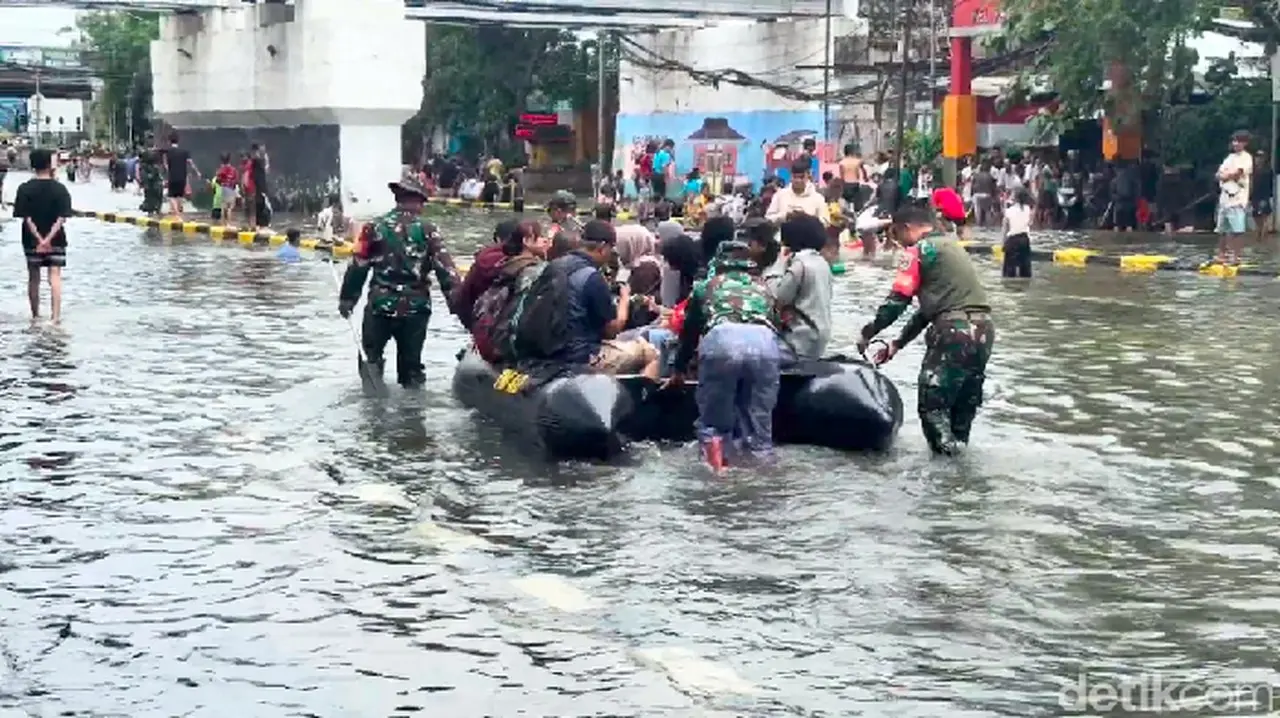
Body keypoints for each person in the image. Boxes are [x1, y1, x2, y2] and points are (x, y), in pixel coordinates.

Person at [857, 204, 995, 456]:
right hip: (984, 331)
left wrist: (868, 332)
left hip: (953, 333)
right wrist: (898, 343)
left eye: (896, 235)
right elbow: (929, 309)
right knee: (962, 409)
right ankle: (960, 473)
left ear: (906, 228)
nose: (896, 243)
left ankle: (943, 477)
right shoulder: (952, 246)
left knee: (933, 407)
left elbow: (898, 300)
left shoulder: (917, 250)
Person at [668, 240, 784, 470]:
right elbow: (777, 325)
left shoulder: (705, 287)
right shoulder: (764, 287)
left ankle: (716, 478)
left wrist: (678, 370)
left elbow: (689, 334)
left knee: (714, 424)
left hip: (722, 341)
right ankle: (763, 477)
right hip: (765, 344)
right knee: (759, 425)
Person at [338, 175, 461, 387]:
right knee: (412, 368)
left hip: (380, 306)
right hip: (416, 309)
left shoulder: (374, 228)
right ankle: (412, 416)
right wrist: (458, 305)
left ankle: (372, 406)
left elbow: (358, 266)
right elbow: (447, 271)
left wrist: (347, 300)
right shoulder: (427, 230)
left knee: (370, 360)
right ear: (419, 202)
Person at [551, 220, 659, 378]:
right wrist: (624, 299)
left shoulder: (554, 266)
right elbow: (612, 330)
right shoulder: (592, 277)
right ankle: (638, 399)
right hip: (580, 356)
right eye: (611, 248)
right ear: (602, 248)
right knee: (650, 353)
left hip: (550, 351)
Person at [14, 149, 72, 323]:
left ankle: (35, 315)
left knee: (33, 277)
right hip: (56, 240)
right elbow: (62, 218)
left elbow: (26, 218)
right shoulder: (60, 189)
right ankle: (55, 318)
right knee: (55, 276)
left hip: (31, 241)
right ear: (49, 164)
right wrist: (48, 239)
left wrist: (39, 239)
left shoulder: (24, 189)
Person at [771, 214, 833, 361]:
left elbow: (778, 298)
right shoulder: (823, 263)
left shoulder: (799, 266)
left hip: (799, 339)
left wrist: (778, 265)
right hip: (820, 336)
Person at [453, 219, 520, 329]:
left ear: (497, 238)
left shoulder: (482, 259)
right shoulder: (520, 263)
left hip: (480, 323)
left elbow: (463, 297)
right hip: (506, 327)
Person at [1214, 131, 1253, 264]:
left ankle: (1236, 257)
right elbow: (1218, 174)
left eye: (1239, 141)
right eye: (1234, 141)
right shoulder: (1229, 158)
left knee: (1237, 229)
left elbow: (1238, 173)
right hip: (1224, 198)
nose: (1235, 143)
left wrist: (1226, 175)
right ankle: (1221, 255)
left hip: (1238, 199)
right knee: (1221, 229)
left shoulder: (1246, 157)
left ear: (1245, 143)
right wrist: (1225, 175)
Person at [765, 158, 829, 225]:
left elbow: (826, 222)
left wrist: (807, 218)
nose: (798, 180)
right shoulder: (780, 195)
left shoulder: (818, 198)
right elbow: (768, 218)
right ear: (791, 176)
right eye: (795, 177)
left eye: (801, 177)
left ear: (808, 176)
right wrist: (785, 216)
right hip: (784, 234)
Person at [164, 132, 201, 220]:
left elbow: (166, 166)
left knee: (171, 196)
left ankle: (177, 214)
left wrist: (169, 173)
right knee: (180, 196)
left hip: (172, 177)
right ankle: (178, 212)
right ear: (178, 141)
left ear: (169, 141)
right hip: (182, 177)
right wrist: (197, 172)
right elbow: (191, 163)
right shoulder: (184, 152)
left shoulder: (167, 153)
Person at [1002, 188, 1034, 278]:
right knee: (1025, 272)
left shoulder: (1009, 211)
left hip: (1012, 241)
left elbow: (1005, 229)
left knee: (1009, 273)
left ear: (1015, 197)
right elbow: (1029, 223)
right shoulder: (1028, 209)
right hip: (1024, 240)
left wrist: (1003, 243)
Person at [214, 153, 239, 225]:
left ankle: (223, 223)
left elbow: (217, 179)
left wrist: (221, 182)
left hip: (224, 188)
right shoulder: (233, 169)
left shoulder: (221, 169)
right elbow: (236, 180)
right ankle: (229, 223)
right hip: (231, 189)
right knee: (230, 208)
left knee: (223, 207)